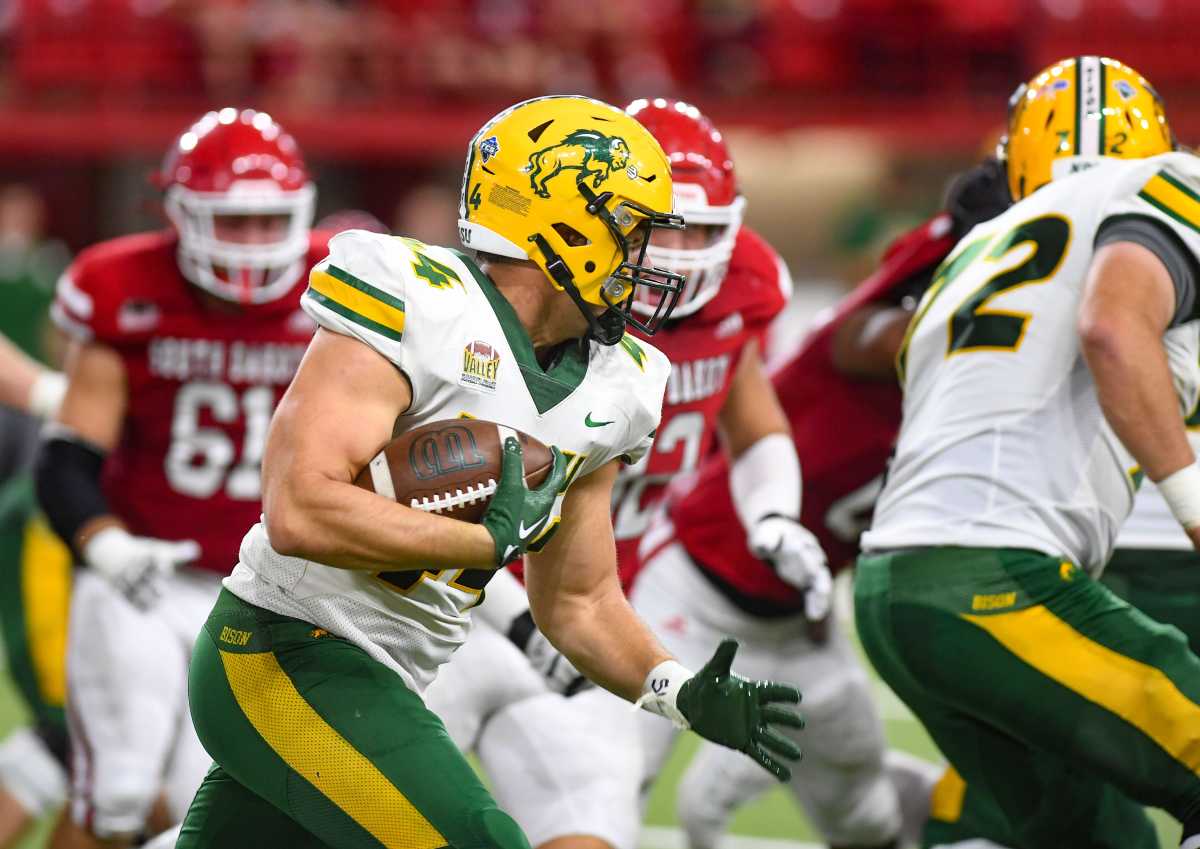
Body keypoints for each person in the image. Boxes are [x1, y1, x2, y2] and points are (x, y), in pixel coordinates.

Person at [172, 94, 805, 849]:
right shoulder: (417, 300)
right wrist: (479, 545)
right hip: (286, 648)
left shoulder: (622, 381)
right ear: (564, 224)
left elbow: (579, 599)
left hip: (389, 673)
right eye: (633, 231)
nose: (650, 258)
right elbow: (299, 508)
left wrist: (676, 689)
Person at [420, 97, 817, 849]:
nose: (671, 256)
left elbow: (749, 412)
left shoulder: (651, 358)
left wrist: (774, 513)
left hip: (590, 618)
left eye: (691, 233)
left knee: (591, 833)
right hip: (443, 613)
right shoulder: (489, 310)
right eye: (641, 231)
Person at [856, 55, 1200, 849]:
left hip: (894, 594)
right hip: (999, 577)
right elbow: (1112, 327)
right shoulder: (1165, 183)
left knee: (1091, 836)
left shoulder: (970, 254)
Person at [35, 107, 327, 849]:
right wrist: (107, 550)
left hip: (266, 589)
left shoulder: (345, 288)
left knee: (211, 801)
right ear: (181, 213)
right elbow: (67, 456)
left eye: (270, 222)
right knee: (120, 790)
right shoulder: (124, 285)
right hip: (143, 570)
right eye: (231, 221)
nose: (254, 245)